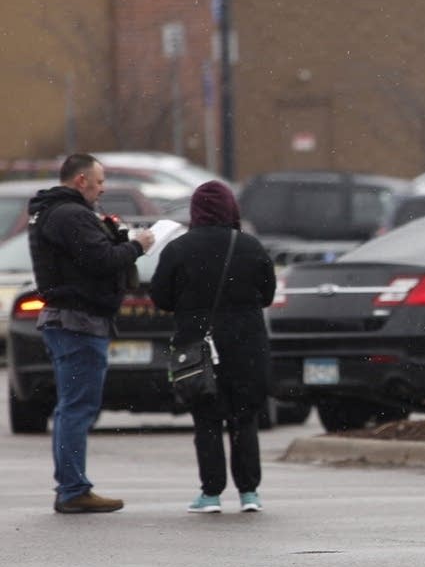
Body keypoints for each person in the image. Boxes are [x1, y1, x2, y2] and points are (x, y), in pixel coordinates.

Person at [26, 153, 157, 514]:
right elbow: (101, 260)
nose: (102, 189)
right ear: (81, 180)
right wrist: (137, 246)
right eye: (99, 182)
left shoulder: (54, 213)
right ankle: (72, 490)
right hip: (78, 323)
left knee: (73, 407)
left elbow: (90, 256)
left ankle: (71, 486)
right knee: (77, 408)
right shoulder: (70, 215)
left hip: (70, 321)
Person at [149, 181, 278, 514]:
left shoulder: (178, 249)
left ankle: (211, 493)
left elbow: (161, 298)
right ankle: (249, 492)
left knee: (206, 418)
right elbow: (267, 295)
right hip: (246, 344)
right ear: (230, 209)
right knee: (244, 418)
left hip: (198, 345)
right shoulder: (250, 247)